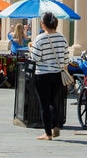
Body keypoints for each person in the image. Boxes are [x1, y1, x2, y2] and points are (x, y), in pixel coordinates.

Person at [29, 12, 70, 140]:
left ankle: (48, 133)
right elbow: (66, 59)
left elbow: (35, 58)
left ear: (44, 24)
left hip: (42, 75)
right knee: (53, 101)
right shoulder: (62, 38)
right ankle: (56, 125)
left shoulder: (40, 38)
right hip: (57, 74)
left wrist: (31, 49)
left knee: (44, 104)